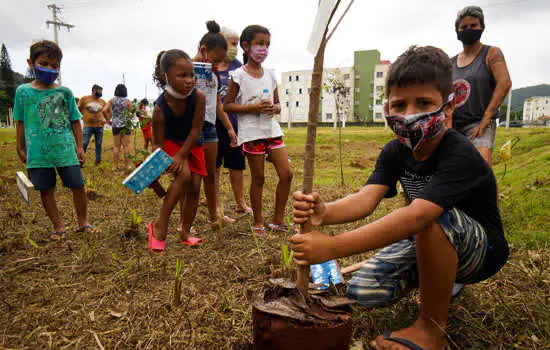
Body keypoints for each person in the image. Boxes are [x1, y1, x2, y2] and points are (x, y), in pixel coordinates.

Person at [291, 46, 508, 349]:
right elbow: (367, 197)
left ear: (447, 108)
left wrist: (332, 246)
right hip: (428, 238)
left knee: (430, 217)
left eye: (423, 103)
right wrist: (325, 213)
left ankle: (431, 331)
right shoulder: (395, 151)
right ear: (387, 109)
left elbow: (417, 216)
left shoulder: (459, 153)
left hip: (481, 252)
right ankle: (441, 279)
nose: (410, 114)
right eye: (400, 104)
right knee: (360, 293)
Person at [13, 40, 93, 240]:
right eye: (43, 64)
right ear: (31, 63)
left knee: (78, 186)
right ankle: (58, 227)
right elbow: (20, 121)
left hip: (65, 150)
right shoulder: (23, 92)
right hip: (38, 153)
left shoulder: (64, 92)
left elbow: (75, 121)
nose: (49, 69)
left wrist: (79, 147)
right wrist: (20, 146)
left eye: (54, 66)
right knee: (46, 189)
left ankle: (83, 223)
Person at [224, 25, 293, 236]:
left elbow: (279, 104)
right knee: (259, 178)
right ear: (246, 46)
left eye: (267, 45)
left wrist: (275, 108)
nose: (263, 49)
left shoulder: (271, 75)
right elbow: (227, 105)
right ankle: (258, 221)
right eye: (259, 44)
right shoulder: (238, 76)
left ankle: (278, 219)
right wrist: (252, 107)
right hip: (252, 133)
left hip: (272, 129)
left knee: (287, 174)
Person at [179, 20, 238, 236]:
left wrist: (230, 129)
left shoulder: (211, 73)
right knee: (186, 177)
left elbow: (218, 104)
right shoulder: (185, 70)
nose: (219, 64)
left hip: (210, 127)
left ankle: (215, 215)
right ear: (204, 50)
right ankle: (183, 221)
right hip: (188, 128)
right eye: (216, 59)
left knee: (211, 173)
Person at [148, 49, 207, 251]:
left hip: (193, 142)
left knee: (194, 189)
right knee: (184, 176)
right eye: (182, 75)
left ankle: (186, 232)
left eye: (191, 75)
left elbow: (196, 128)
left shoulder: (198, 97)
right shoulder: (159, 108)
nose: (189, 80)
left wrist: (182, 155)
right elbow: (157, 143)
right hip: (170, 144)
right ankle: (160, 224)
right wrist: (161, 162)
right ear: (166, 77)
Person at [450, 6, 512, 167]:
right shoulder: (450, 63)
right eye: (464, 27)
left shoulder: (491, 53)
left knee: (481, 169)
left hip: (478, 123)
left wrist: (485, 119)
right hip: (453, 124)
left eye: (473, 26)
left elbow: (504, 83)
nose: (468, 29)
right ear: (457, 31)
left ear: (482, 28)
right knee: (453, 170)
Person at [215, 27, 252, 218]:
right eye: (232, 43)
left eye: (237, 44)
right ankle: (216, 208)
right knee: (214, 168)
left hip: (236, 126)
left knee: (237, 166)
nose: (235, 48)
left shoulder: (238, 67)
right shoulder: (208, 67)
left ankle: (241, 203)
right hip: (213, 127)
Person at [102, 84, 133, 172]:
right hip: (126, 125)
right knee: (126, 146)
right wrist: (127, 119)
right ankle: (127, 166)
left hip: (115, 125)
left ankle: (115, 166)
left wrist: (108, 120)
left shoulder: (111, 100)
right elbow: (132, 113)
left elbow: (104, 110)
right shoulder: (127, 101)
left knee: (116, 146)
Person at [78, 84, 107, 166]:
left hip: (99, 126)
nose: (101, 93)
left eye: (101, 92)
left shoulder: (102, 101)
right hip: (88, 125)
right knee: (84, 143)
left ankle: (98, 161)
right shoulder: (84, 99)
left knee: (98, 144)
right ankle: (80, 161)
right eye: (99, 91)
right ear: (94, 90)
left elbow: (108, 111)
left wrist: (106, 120)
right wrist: (81, 116)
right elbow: (78, 108)